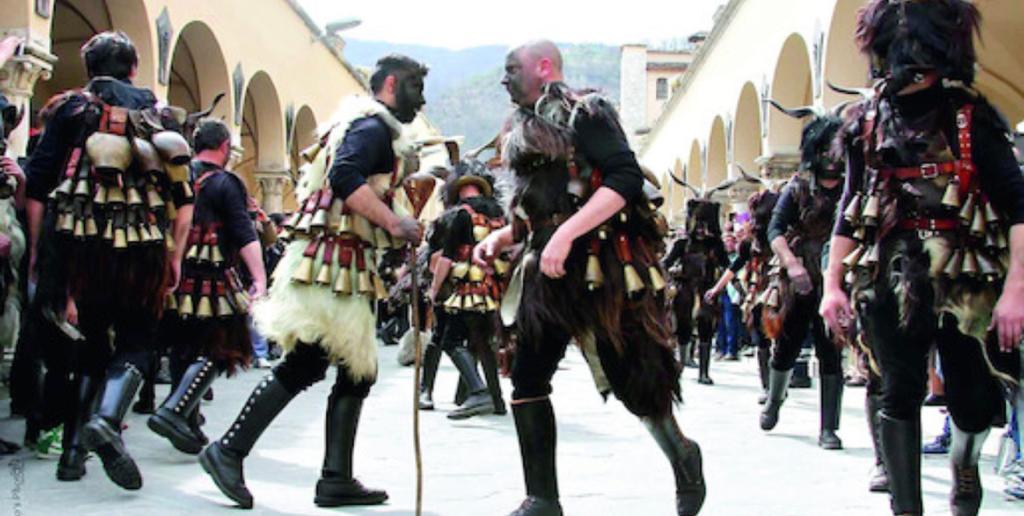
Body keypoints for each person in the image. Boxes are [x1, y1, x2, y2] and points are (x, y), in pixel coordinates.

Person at [475, 40, 704, 516]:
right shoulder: (523, 128)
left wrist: (565, 236)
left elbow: (624, 179)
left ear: (543, 67)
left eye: (512, 68)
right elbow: (540, 206)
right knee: (527, 377)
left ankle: (682, 454)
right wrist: (504, 237)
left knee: (632, 381)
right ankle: (542, 500)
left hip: (603, 269)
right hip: (545, 273)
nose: (504, 78)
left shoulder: (587, 113)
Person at [819, 2, 1024, 514]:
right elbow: (849, 208)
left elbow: (1019, 206)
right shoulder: (865, 124)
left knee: (974, 402)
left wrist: (1016, 291)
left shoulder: (971, 118)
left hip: (967, 275)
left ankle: (965, 463)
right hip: (890, 272)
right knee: (898, 391)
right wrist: (832, 285)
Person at [197, 54, 426, 510]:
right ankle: (230, 451)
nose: (420, 99)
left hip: (333, 263)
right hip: (332, 266)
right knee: (309, 363)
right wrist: (395, 224)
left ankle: (334, 478)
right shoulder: (372, 128)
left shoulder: (359, 124)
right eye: (416, 87)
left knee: (353, 370)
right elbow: (344, 177)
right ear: (391, 84)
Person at [25, 31, 194, 489]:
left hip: (80, 245)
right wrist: (175, 255)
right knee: (137, 339)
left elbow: (38, 185)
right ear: (134, 68)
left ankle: (72, 457)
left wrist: (40, 252)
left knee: (90, 345)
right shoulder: (160, 117)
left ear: (89, 69)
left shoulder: (70, 110)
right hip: (142, 248)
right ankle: (106, 418)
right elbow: (184, 197)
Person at [147, 119, 266, 454]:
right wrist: (259, 278)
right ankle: (175, 410)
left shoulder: (175, 173)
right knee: (222, 346)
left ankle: (187, 419)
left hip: (171, 275)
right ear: (225, 146)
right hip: (211, 278)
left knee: (183, 347)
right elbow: (243, 231)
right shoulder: (227, 182)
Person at [758, 101, 847, 450]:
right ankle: (774, 400)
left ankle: (829, 428)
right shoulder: (797, 187)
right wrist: (792, 264)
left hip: (835, 275)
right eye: (824, 151)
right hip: (798, 277)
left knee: (831, 351)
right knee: (786, 346)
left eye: (835, 151)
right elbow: (775, 229)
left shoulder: (851, 187)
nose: (831, 159)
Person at [422, 158, 506, 418]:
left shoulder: (459, 215)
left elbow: (446, 257)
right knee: (484, 344)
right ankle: (497, 400)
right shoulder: (499, 215)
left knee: (449, 340)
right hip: (493, 290)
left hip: (465, 289)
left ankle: (478, 392)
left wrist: (434, 289)